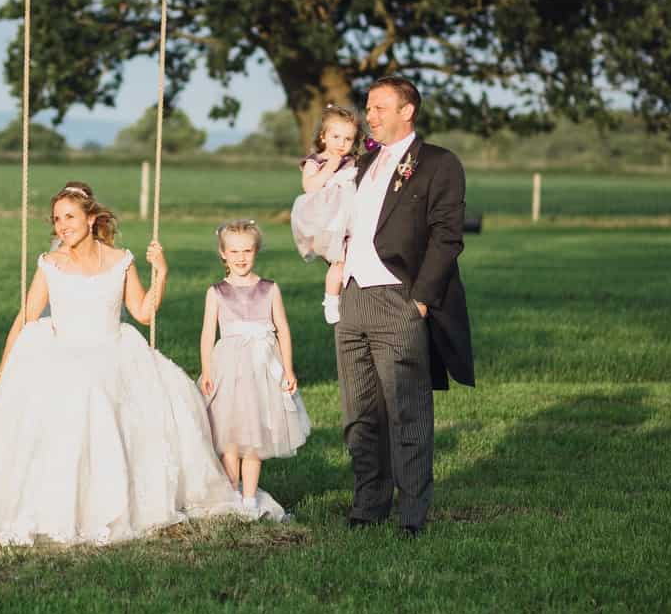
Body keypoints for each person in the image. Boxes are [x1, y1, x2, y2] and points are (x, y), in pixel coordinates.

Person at [0, 182, 278, 545]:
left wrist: (160, 274)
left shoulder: (120, 260)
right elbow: (26, 317)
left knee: (113, 394)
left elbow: (143, 312)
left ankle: (115, 504)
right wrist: (2, 374)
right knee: (76, 394)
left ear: (90, 219)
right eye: (57, 219)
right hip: (61, 352)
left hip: (113, 349)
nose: (62, 226)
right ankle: (62, 508)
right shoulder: (50, 264)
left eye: (70, 217)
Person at [333, 75, 474, 537]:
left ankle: (411, 514)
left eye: (379, 107)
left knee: (406, 412)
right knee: (359, 413)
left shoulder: (437, 163)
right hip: (352, 298)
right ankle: (368, 505)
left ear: (407, 111)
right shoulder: (361, 163)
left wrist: (420, 301)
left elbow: (447, 237)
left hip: (400, 299)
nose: (369, 115)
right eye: (368, 107)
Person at [198, 219, 310, 515]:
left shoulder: (269, 289)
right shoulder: (216, 292)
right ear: (223, 254)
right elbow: (208, 334)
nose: (241, 258)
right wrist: (207, 370)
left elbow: (282, 329)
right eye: (234, 251)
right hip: (229, 370)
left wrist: (288, 369)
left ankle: (249, 499)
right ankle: (231, 494)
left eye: (247, 251)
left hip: (261, 369)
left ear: (256, 251)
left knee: (254, 435)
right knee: (229, 436)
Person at [290, 105, 363, 324]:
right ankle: (330, 300)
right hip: (328, 220)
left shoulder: (352, 161)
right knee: (338, 261)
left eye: (348, 139)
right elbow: (309, 187)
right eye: (336, 137)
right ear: (323, 136)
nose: (341, 143)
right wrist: (329, 169)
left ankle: (354, 297)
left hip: (352, 217)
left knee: (351, 259)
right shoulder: (316, 161)